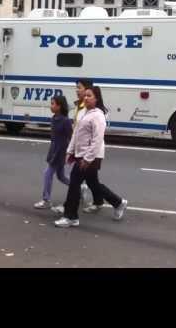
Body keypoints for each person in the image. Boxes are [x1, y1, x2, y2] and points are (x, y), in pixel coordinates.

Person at [54, 86, 127, 228]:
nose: (86, 98)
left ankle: (71, 216)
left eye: (89, 96)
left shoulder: (98, 116)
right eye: (85, 95)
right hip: (81, 154)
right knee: (93, 183)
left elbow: (97, 140)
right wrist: (70, 151)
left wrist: (87, 159)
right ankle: (118, 202)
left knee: (75, 183)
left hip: (90, 157)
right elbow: (76, 134)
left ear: (97, 99)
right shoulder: (84, 112)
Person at [50, 79, 96, 214]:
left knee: (77, 181)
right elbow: (75, 131)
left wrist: (87, 157)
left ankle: (69, 212)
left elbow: (95, 137)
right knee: (90, 181)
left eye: (79, 88)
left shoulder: (93, 112)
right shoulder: (80, 107)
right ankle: (111, 201)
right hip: (79, 150)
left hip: (86, 153)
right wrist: (70, 150)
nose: (77, 90)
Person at [33, 95, 73, 209]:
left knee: (48, 173)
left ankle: (46, 199)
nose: (51, 106)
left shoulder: (66, 121)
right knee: (61, 176)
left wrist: (69, 153)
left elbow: (71, 138)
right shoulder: (54, 118)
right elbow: (53, 137)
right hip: (54, 150)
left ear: (59, 106)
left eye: (53, 103)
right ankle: (77, 187)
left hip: (61, 151)